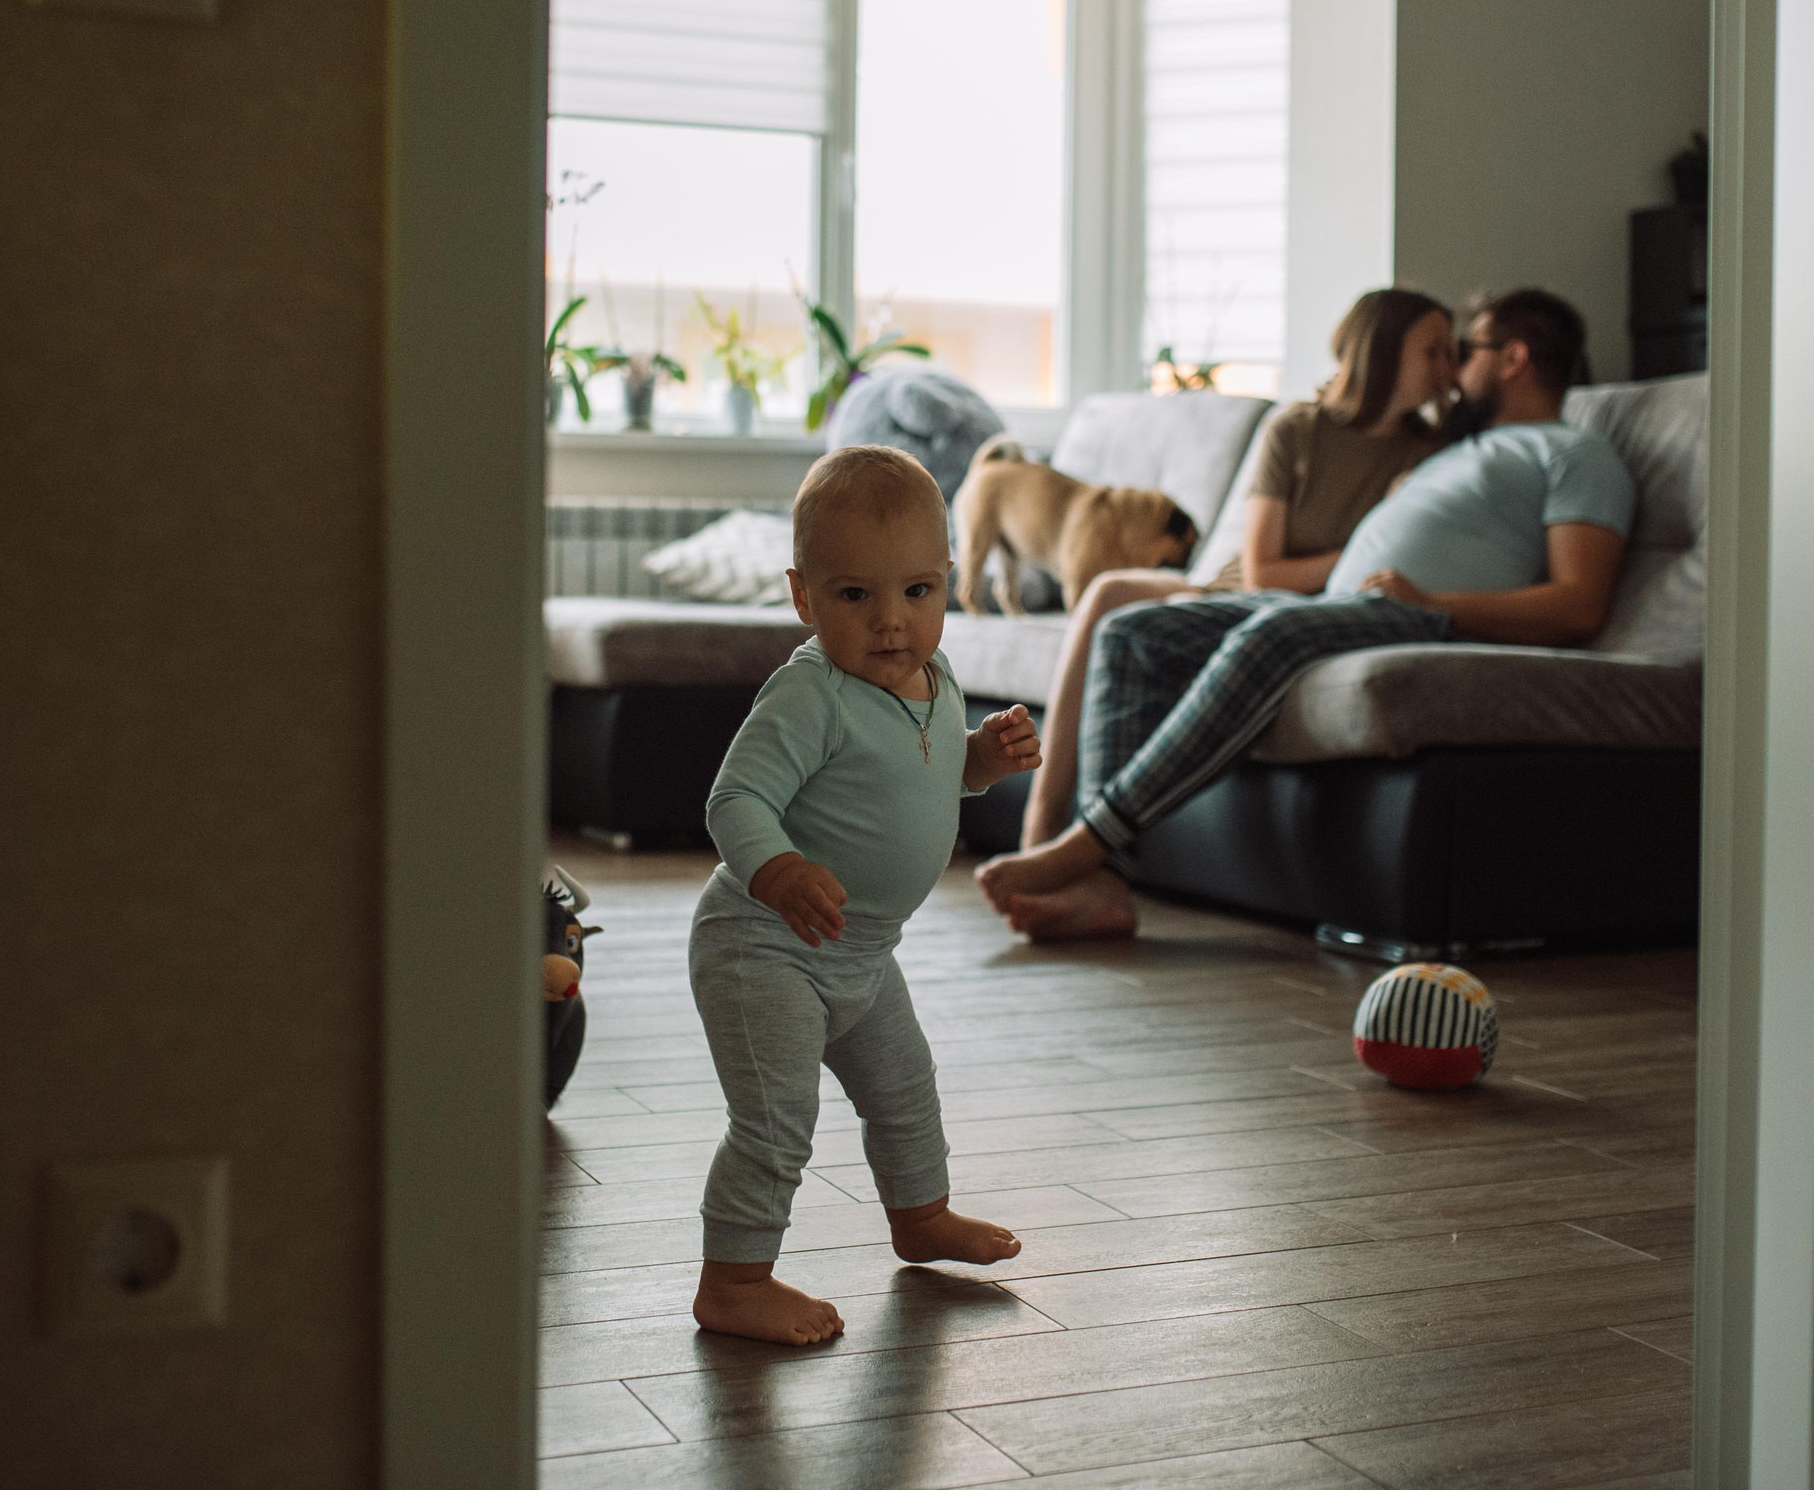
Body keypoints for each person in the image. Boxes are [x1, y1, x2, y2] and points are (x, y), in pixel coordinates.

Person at [977, 287, 1633, 940]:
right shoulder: (1451, 451)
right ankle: (1106, 885)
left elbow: (1579, 605)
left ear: (1514, 358)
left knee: (1271, 632)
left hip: (1407, 614)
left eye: (1469, 349)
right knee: (1133, 632)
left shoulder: (1574, 455)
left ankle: (1084, 843)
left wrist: (1433, 603)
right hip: (1336, 604)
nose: (1455, 368)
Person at [687, 446, 1045, 1345]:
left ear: (948, 582)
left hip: (863, 950)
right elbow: (735, 799)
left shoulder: (936, 675)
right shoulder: (811, 694)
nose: (892, 622)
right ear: (804, 596)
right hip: (763, 943)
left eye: (917, 592)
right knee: (777, 1119)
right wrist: (779, 870)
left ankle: (921, 1216)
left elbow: (922, 773)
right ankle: (733, 1280)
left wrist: (983, 759)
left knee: (906, 1088)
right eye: (855, 597)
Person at [1017, 289, 1458, 848]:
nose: (1450, 368)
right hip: (1225, 587)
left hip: (1301, 612)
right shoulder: (1296, 431)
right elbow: (1260, 573)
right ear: (1384, 352)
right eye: (1434, 352)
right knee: (1109, 593)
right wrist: (1361, 537)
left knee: (1137, 615)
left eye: (1453, 352)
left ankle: (1082, 843)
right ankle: (1042, 823)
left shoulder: (1431, 456)